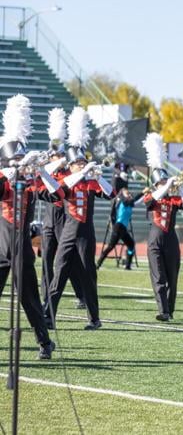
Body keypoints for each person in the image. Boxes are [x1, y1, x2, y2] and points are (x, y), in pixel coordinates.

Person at [45, 107, 115, 331]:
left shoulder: (90, 181)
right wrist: (81, 173)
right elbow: (59, 189)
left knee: (88, 274)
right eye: (79, 163)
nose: (82, 166)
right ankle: (49, 315)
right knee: (59, 272)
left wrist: (98, 176)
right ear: (72, 165)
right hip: (68, 230)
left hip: (86, 232)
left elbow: (110, 193)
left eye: (83, 163)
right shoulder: (68, 179)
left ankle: (94, 318)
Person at [0, 94, 57, 358]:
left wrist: (42, 170)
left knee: (30, 298)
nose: (21, 165)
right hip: (1, 245)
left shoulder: (31, 180)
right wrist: (9, 172)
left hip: (22, 247)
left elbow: (57, 195)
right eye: (17, 160)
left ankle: (44, 341)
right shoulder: (4, 178)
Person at [142, 132, 183, 321]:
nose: (165, 184)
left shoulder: (173, 197)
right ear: (156, 184)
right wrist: (166, 184)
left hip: (171, 238)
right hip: (155, 237)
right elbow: (150, 202)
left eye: (165, 181)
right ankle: (162, 310)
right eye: (161, 182)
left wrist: (179, 187)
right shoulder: (151, 194)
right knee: (158, 276)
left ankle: (169, 311)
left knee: (172, 277)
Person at [41, 107, 86, 310]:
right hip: (49, 216)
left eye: (59, 156)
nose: (56, 159)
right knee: (46, 257)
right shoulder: (50, 169)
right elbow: (44, 172)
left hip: (64, 215)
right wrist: (55, 162)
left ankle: (82, 294)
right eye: (53, 156)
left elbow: (67, 183)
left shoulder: (68, 172)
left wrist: (62, 163)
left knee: (68, 258)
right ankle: (46, 297)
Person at [96, 185, 143, 270]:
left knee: (131, 244)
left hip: (123, 228)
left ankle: (128, 266)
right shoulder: (123, 201)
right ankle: (98, 263)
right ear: (122, 194)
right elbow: (132, 200)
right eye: (127, 193)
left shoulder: (129, 203)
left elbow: (136, 202)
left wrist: (145, 195)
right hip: (118, 227)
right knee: (110, 246)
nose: (129, 194)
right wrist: (143, 192)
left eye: (129, 193)